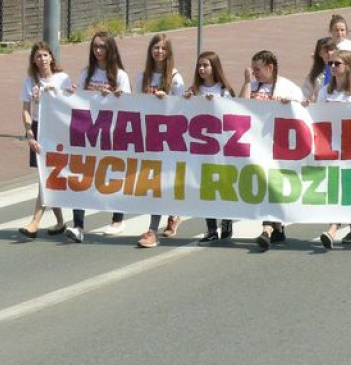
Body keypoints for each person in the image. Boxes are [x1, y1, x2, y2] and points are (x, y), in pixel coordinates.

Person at [65, 31, 131, 244]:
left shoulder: (120, 75)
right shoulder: (87, 73)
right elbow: (79, 100)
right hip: (89, 132)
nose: (98, 50)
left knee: (112, 175)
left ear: (110, 49)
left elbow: (130, 104)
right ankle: (78, 225)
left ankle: (117, 219)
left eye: (102, 46)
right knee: (81, 175)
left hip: (112, 133)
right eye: (95, 47)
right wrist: (73, 92)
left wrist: (117, 95)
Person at [239, 50, 304, 250]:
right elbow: (239, 106)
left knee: (273, 184)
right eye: (253, 69)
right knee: (264, 184)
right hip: (257, 147)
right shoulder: (254, 85)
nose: (255, 73)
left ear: (270, 67)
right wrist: (247, 81)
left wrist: (289, 105)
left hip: (280, 147)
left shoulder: (288, 87)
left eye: (258, 69)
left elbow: (303, 113)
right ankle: (275, 227)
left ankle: (269, 228)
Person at [136, 34, 187, 248]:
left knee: (164, 180)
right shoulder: (143, 77)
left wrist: (166, 100)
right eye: (155, 48)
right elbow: (134, 104)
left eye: (163, 48)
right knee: (155, 181)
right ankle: (162, 222)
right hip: (150, 135)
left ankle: (155, 228)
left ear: (169, 52)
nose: (159, 52)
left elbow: (183, 108)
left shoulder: (175, 78)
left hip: (170, 137)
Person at [17, 42, 71, 239]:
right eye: (38, 56)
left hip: (57, 130)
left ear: (51, 57)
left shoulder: (62, 79)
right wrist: (29, 133)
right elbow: (25, 109)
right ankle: (59, 221)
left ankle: (35, 221)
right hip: (39, 128)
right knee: (45, 175)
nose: (42, 59)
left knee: (46, 176)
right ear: (33, 59)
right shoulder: (30, 81)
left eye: (45, 55)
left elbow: (70, 103)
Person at [318, 51, 351, 249]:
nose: (332, 67)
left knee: (343, 186)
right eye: (330, 63)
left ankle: (332, 228)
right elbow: (316, 115)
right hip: (330, 146)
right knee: (337, 187)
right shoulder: (325, 91)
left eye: (337, 63)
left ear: (347, 66)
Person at [185, 51, 236, 243]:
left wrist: (217, 104)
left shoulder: (224, 90)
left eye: (205, 65)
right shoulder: (195, 90)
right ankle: (211, 228)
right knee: (206, 188)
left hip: (221, 147)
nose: (201, 69)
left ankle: (227, 220)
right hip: (201, 148)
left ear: (214, 67)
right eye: (199, 66)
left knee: (223, 186)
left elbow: (233, 114)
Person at [302, 36, 337, 102]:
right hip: (321, 109)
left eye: (331, 49)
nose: (329, 53)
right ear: (320, 54)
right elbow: (304, 94)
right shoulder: (314, 75)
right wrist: (305, 100)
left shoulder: (345, 72)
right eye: (326, 51)